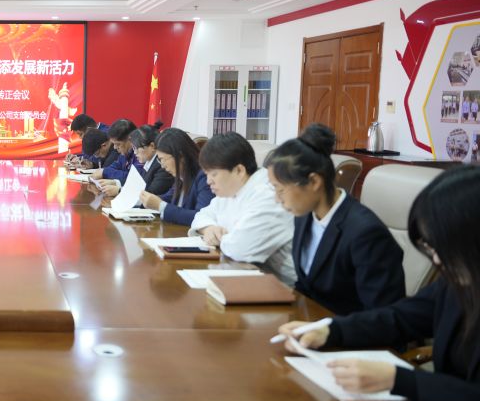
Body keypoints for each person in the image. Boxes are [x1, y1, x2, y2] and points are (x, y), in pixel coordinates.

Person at [276, 165, 480, 401]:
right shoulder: (459, 282)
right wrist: (330, 330)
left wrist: (399, 380)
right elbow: (400, 317)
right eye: (431, 248)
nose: (437, 260)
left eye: (446, 247)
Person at [264, 124, 405, 313]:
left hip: (348, 329)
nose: (276, 199)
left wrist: (326, 328)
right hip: (311, 322)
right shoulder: (305, 216)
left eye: (280, 189)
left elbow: (383, 317)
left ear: (314, 182)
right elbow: (307, 285)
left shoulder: (366, 233)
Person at [189, 132, 296, 282]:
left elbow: (240, 249)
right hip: (248, 274)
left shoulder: (268, 193)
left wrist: (220, 238)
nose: (208, 181)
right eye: (207, 174)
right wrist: (209, 228)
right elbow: (201, 215)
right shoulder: (231, 189)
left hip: (288, 287)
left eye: (213, 174)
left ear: (239, 170)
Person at [138, 128, 214, 226]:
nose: (162, 165)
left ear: (180, 155)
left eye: (163, 159)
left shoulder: (204, 177)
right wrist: (144, 200)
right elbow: (169, 198)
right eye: (159, 160)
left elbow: (201, 217)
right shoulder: (181, 175)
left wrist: (161, 206)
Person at [97, 124, 173, 198]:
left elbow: (151, 194)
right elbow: (137, 183)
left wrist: (119, 190)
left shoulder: (162, 166)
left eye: (136, 148)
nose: (135, 152)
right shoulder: (148, 161)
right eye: (133, 148)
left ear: (152, 146)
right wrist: (116, 183)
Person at [90, 119, 138, 184]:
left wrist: (105, 173)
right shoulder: (124, 153)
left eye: (118, 144)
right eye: (114, 144)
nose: (115, 147)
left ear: (130, 139)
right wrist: (104, 171)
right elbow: (114, 166)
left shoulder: (140, 154)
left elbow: (134, 178)